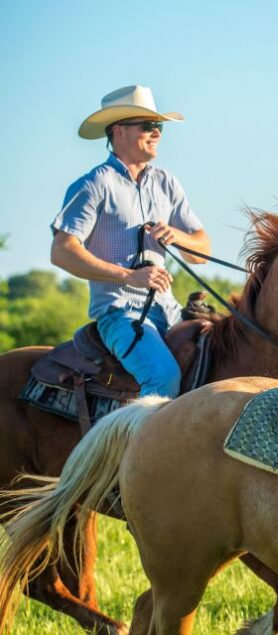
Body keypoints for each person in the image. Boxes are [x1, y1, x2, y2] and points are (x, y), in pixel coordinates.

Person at [50, 85, 210, 399]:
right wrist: (129, 276)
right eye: (148, 126)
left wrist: (176, 236)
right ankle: (142, 450)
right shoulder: (94, 185)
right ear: (119, 131)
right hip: (120, 313)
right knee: (162, 379)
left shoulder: (167, 183)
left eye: (159, 127)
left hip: (170, 311)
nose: (157, 133)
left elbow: (202, 251)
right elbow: (62, 252)